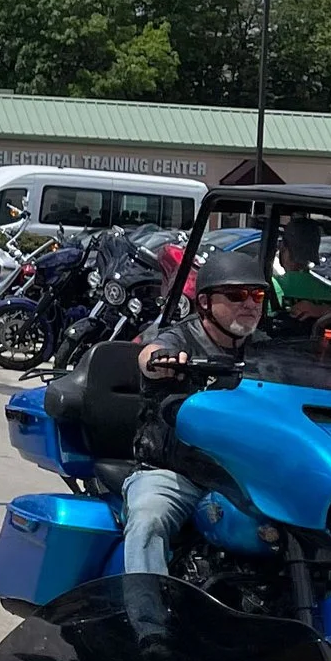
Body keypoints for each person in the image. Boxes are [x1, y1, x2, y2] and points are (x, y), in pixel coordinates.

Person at [123, 232, 270, 576]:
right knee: (149, 516)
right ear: (205, 302)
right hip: (175, 472)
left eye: (257, 295)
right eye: (235, 295)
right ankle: (147, 621)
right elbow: (148, 355)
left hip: (242, 474)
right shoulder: (180, 337)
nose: (249, 305)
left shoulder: (266, 349)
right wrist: (160, 361)